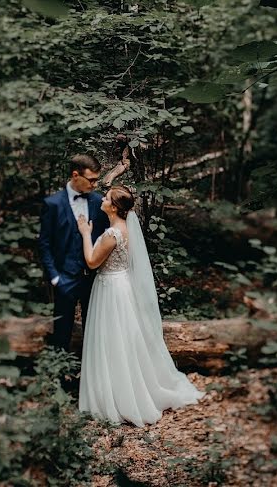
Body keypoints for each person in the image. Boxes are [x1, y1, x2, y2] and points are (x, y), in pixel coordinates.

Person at [76, 185, 204, 427]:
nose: (102, 199)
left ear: (113, 207)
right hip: (122, 286)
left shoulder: (112, 234)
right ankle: (127, 390)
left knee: (111, 340)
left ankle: (117, 397)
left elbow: (92, 262)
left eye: (106, 198)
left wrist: (85, 233)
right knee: (124, 340)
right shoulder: (127, 230)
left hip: (110, 290)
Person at [38, 154, 109, 351]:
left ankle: (90, 378)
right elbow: (44, 244)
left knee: (95, 332)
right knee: (61, 333)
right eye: (92, 179)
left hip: (93, 279)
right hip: (64, 278)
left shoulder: (98, 202)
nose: (95, 184)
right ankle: (60, 377)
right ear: (75, 175)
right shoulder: (52, 204)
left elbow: (106, 238)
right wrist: (54, 278)